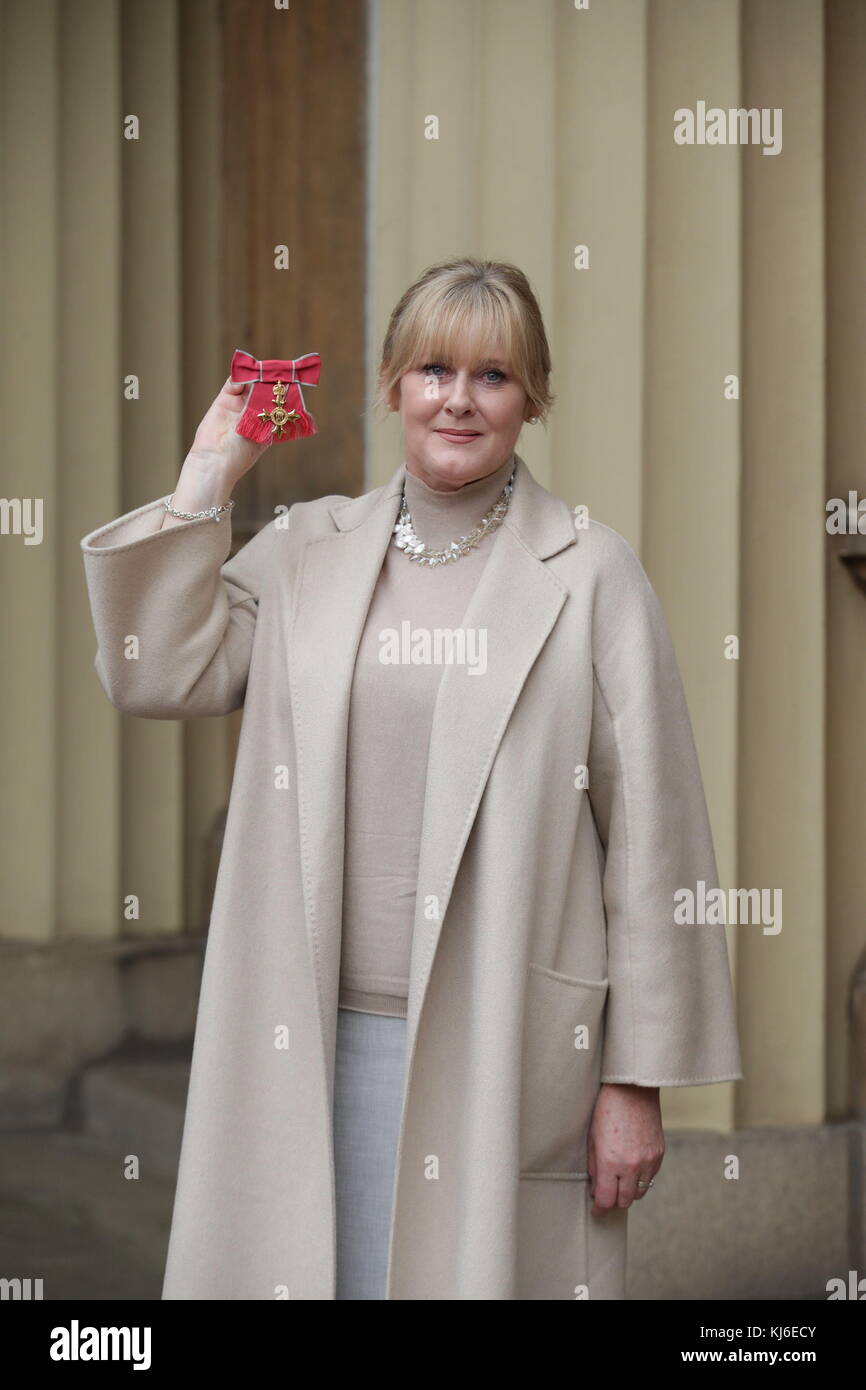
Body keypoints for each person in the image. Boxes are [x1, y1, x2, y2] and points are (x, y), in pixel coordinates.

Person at [81, 257, 742, 1301]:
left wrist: (632, 1079)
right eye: (434, 368)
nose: (458, 398)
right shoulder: (308, 549)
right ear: (393, 381)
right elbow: (154, 668)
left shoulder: (589, 572)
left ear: (531, 399)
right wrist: (208, 475)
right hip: (302, 1036)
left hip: (501, 1045)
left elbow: (654, 839)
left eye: (493, 375)